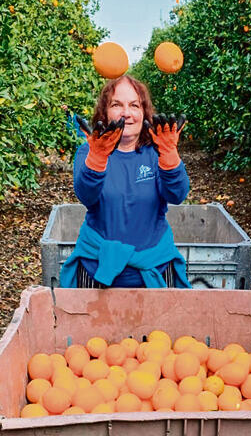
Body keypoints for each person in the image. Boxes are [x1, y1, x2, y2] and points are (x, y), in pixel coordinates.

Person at [59, 75, 192, 288]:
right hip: (98, 267)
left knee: (156, 323)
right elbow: (86, 195)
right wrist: (98, 159)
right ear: (105, 112)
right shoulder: (89, 151)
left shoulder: (157, 151)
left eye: (134, 105)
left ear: (144, 112)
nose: (127, 113)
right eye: (116, 105)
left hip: (153, 267)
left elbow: (177, 195)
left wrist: (169, 155)